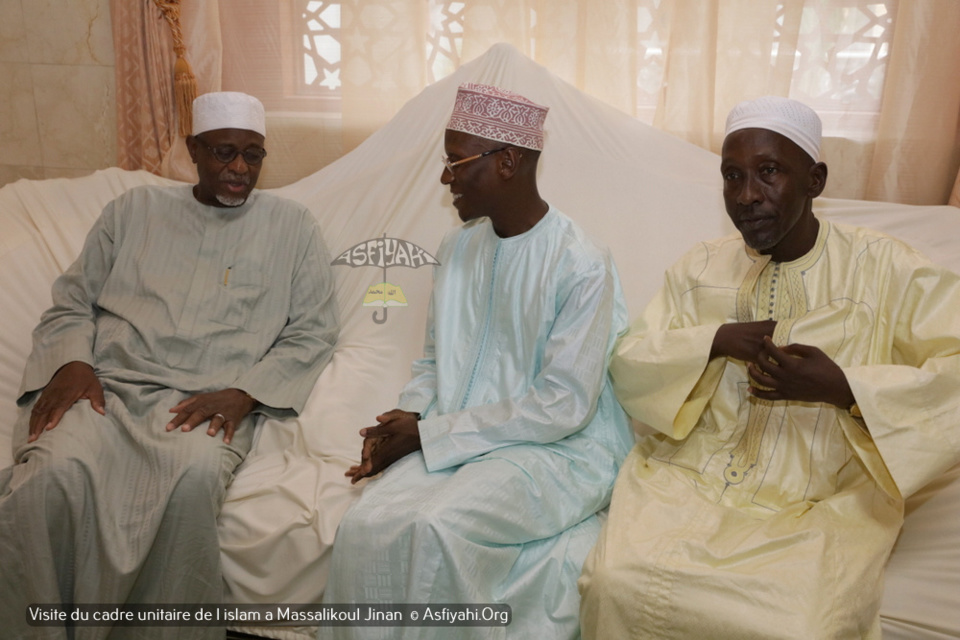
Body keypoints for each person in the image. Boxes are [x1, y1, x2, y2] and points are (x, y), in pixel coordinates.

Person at [578, 96, 960, 638]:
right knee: (616, 584)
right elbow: (630, 360)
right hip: (694, 479)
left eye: (769, 173)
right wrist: (712, 342)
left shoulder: (886, 268)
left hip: (823, 501)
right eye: (732, 177)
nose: (747, 197)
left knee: (798, 626)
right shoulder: (702, 265)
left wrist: (846, 388)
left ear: (815, 180)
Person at [0, 91, 339, 639]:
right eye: (224, 152)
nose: (239, 169)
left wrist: (244, 395)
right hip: (106, 391)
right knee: (52, 475)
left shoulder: (292, 227)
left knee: (190, 483)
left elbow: (313, 331)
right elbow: (71, 300)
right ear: (194, 151)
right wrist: (71, 364)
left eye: (253, 156)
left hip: (204, 405)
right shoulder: (133, 211)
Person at [321, 83, 634, 639]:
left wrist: (433, 435)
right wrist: (406, 419)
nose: (445, 178)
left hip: (557, 451)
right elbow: (435, 360)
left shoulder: (581, 262)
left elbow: (563, 406)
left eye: (455, 162)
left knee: (438, 525)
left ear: (508, 162)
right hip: (456, 435)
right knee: (365, 524)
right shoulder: (457, 249)